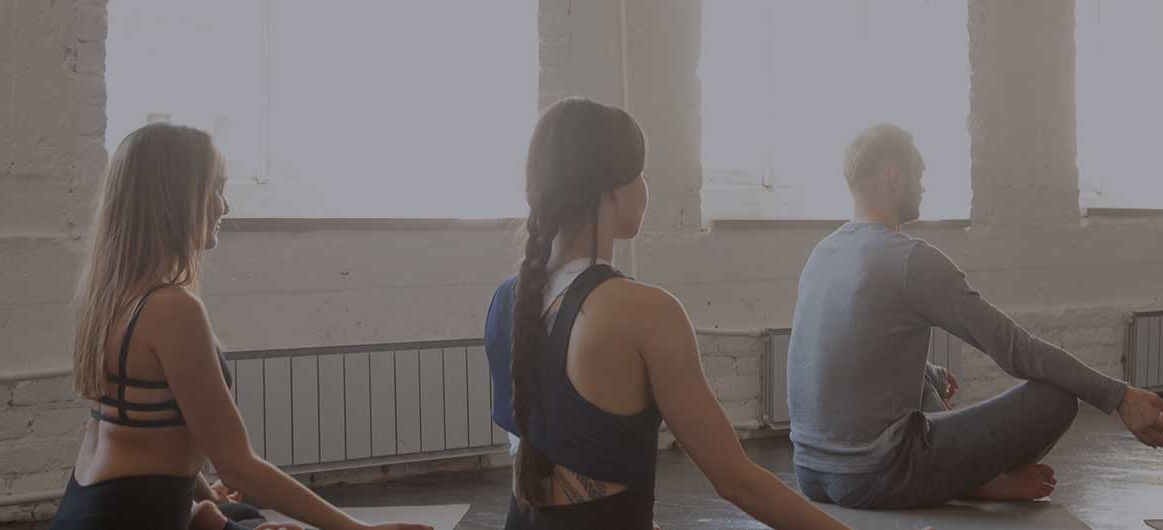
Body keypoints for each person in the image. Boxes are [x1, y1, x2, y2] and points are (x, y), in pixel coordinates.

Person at [484, 97, 854, 529]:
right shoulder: (645, 313)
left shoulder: (507, 301)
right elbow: (737, 482)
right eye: (640, 173)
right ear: (612, 191)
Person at [52, 123, 427, 530]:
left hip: (92, 509)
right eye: (215, 190)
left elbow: (146, 435)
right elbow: (240, 468)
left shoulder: (113, 296)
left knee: (238, 515)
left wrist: (209, 500)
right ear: (175, 198)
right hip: (123, 515)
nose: (224, 207)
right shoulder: (171, 309)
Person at [788, 123, 1163, 510]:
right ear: (895, 176)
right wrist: (1119, 396)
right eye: (919, 175)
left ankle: (967, 476)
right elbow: (1014, 349)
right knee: (1056, 397)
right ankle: (976, 482)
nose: (923, 187)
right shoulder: (911, 260)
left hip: (811, 473)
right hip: (877, 475)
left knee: (925, 377)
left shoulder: (822, 254)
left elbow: (852, 351)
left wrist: (930, 376)